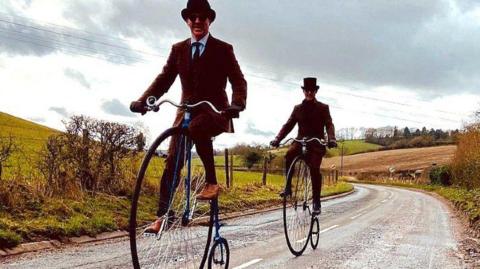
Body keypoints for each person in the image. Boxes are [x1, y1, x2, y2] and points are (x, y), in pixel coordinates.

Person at [130, 0, 247, 233]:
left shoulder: (223, 49)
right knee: (172, 161)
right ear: (187, 21)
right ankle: (163, 216)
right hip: (185, 112)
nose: (197, 21)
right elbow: (164, 79)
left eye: (202, 17)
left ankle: (212, 182)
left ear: (209, 21)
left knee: (198, 127)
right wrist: (144, 100)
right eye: (192, 17)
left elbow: (238, 80)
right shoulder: (178, 49)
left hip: (214, 112)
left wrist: (237, 103)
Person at [270, 77, 336, 215]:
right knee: (289, 155)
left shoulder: (323, 108)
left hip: (316, 143)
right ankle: (288, 187)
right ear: (304, 91)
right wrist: (277, 138)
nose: (309, 93)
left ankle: (316, 202)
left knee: (314, 168)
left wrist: (331, 139)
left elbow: (329, 124)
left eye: (312, 91)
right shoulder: (298, 109)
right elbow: (288, 125)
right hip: (300, 141)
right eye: (307, 91)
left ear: (316, 91)